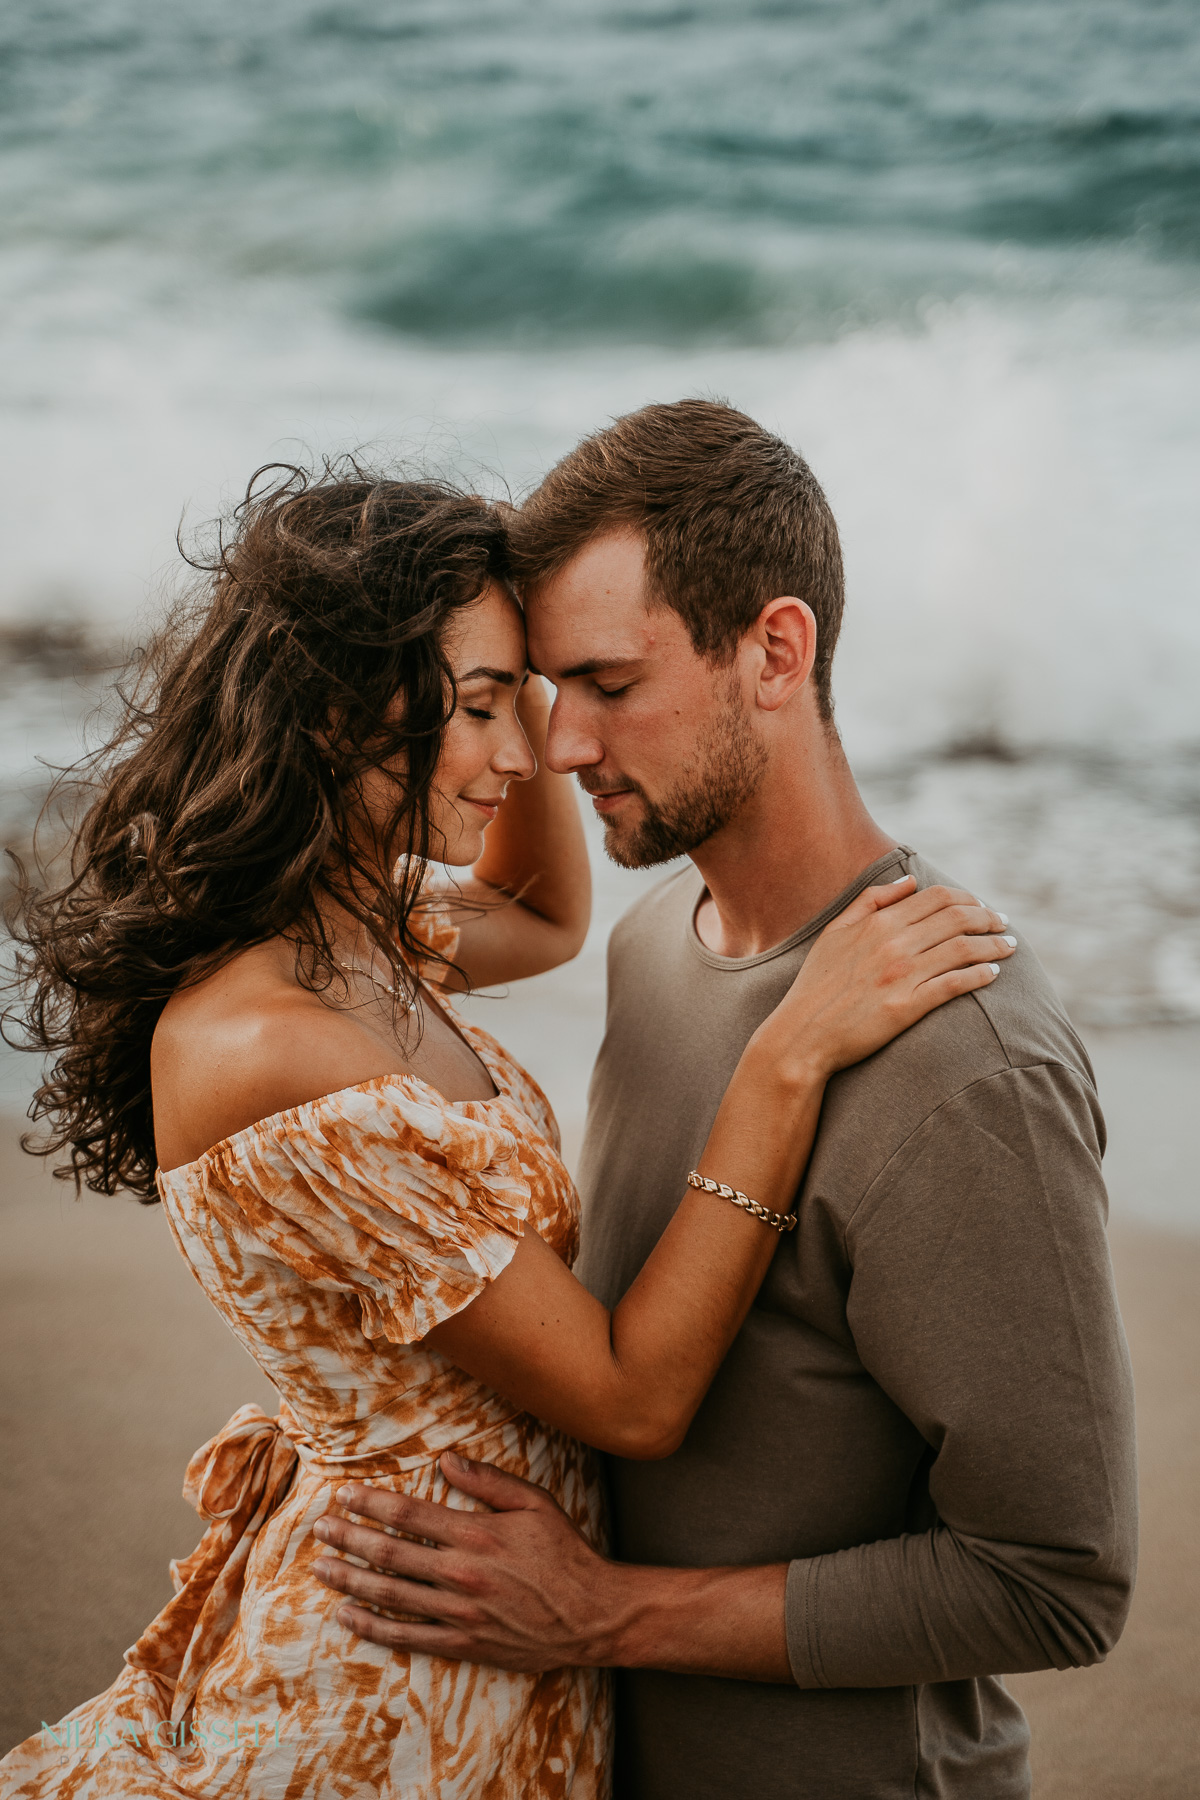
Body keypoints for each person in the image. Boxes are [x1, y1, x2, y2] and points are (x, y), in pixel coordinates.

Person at [0, 461, 1010, 1800]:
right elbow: (629, 1396)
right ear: (334, 708)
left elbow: (539, 909)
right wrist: (787, 1055)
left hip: (485, 1636)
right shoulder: (277, 1052)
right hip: (392, 1686)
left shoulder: (352, 935)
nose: (531, 752)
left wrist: (527, 647)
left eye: (525, 699)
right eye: (478, 708)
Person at [311, 402, 1139, 1800]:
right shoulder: (653, 946)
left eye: (609, 683)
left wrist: (605, 1613)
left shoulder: (966, 1065)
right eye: (541, 690)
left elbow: (1058, 1582)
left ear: (775, 649)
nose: (563, 748)